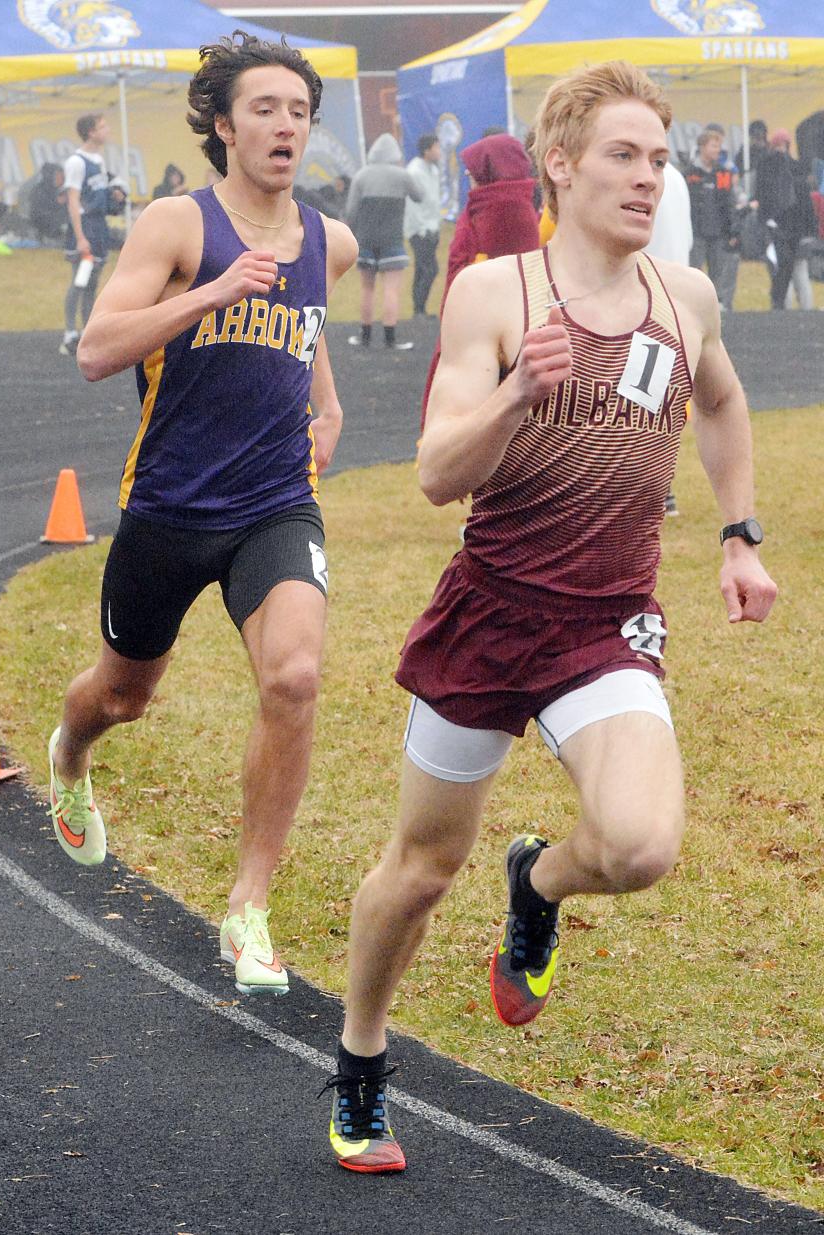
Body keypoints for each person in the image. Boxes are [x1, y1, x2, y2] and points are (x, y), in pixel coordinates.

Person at [321, 59, 777, 1173]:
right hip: (491, 609)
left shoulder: (687, 297)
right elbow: (433, 472)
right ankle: (362, 1062)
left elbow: (719, 398)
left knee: (640, 845)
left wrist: (738, 532)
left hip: (608, 621)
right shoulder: (493, 292)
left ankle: (538, 880)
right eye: (624, 155)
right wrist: (521, 390)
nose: (647, 177)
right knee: (421, 868)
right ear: (561, 164)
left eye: (659, 160)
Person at [46, 31, 357, 1000]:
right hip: (171, 507)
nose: (284, 126)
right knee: (123, 695)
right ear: (224, 125)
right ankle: (69, 750)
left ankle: (250, 905)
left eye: (299, 112)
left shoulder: (327, 240)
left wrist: (329, 399)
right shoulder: (178, 225)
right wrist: (216, 288)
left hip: (274, 500)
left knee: (296, 675)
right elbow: (98, 348)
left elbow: (299, 328)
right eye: (264, 108)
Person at [420, 133, 539, 429]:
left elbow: (470, 266)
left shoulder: (496, 210)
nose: (470, 183)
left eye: (473, 176)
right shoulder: (511, 205)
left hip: (481, 326)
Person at [644, 158, 693, 517]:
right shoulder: (675, 177)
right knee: (657, 398)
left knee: (641, 400)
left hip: (646, 294)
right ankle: (662, 489)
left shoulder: (644, 179)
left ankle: (657, 490)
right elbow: (687, 236)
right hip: (677, 298)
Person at [345, 132, 422, 350]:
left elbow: (350, 212)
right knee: (391, 290)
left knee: (367, 289)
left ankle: (365, 336)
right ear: (394, 154)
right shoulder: (402, 175)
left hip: (366, 240)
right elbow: (419, 195)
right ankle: (391, 338)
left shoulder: (361, 176)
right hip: (392, 240)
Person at [60, 113, 113, 357]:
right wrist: (80, 237)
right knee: (80, 280)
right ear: (90, 132)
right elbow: (73, 200)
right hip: (86, 227)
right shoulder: (77, 162)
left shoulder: (99, 160)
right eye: (102, 127)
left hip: (99, 226)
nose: (107, 130)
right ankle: (70, 332)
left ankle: (88, 331)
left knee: (93, 282)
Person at [755, 129, 819, 311]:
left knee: (786, 273)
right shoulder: (796, 169)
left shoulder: (767, 169)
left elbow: (761, 199)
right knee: (797, 273)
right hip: (793, 231)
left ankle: (784, 313)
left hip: (781, 231)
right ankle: (798, 313)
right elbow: (806, 204)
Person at [685, 127, 740, 311]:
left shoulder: (723, 173)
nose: (718, 150)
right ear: (702, 147)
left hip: (719, 233)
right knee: (694, 271)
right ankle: (693, 306)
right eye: (714, 146)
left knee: (718, 272)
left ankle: (716, 306)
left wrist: (734, 230)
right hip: (696, 232)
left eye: (719, 146)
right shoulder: (690, 173)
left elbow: (729, 203)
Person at [404, 133, 442, 318]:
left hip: (432, 227)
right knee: (430, 269)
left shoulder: (433, 170)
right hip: (419, 229)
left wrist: (436, 226)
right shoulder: (414, 171)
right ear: (427, 150)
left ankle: (419, 310)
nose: (439, 151)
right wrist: (421, 229)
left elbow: (433, 202)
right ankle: (418, 308)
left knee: (422, 268)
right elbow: (412, 205)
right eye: (436, 147)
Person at [29, 162, 68, 243]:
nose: (62, 178)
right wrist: (57, 201)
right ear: (50, 176)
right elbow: (39, 209)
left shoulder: (56, 190)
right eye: (58, 176)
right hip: (42, 224)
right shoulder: (39, 190)